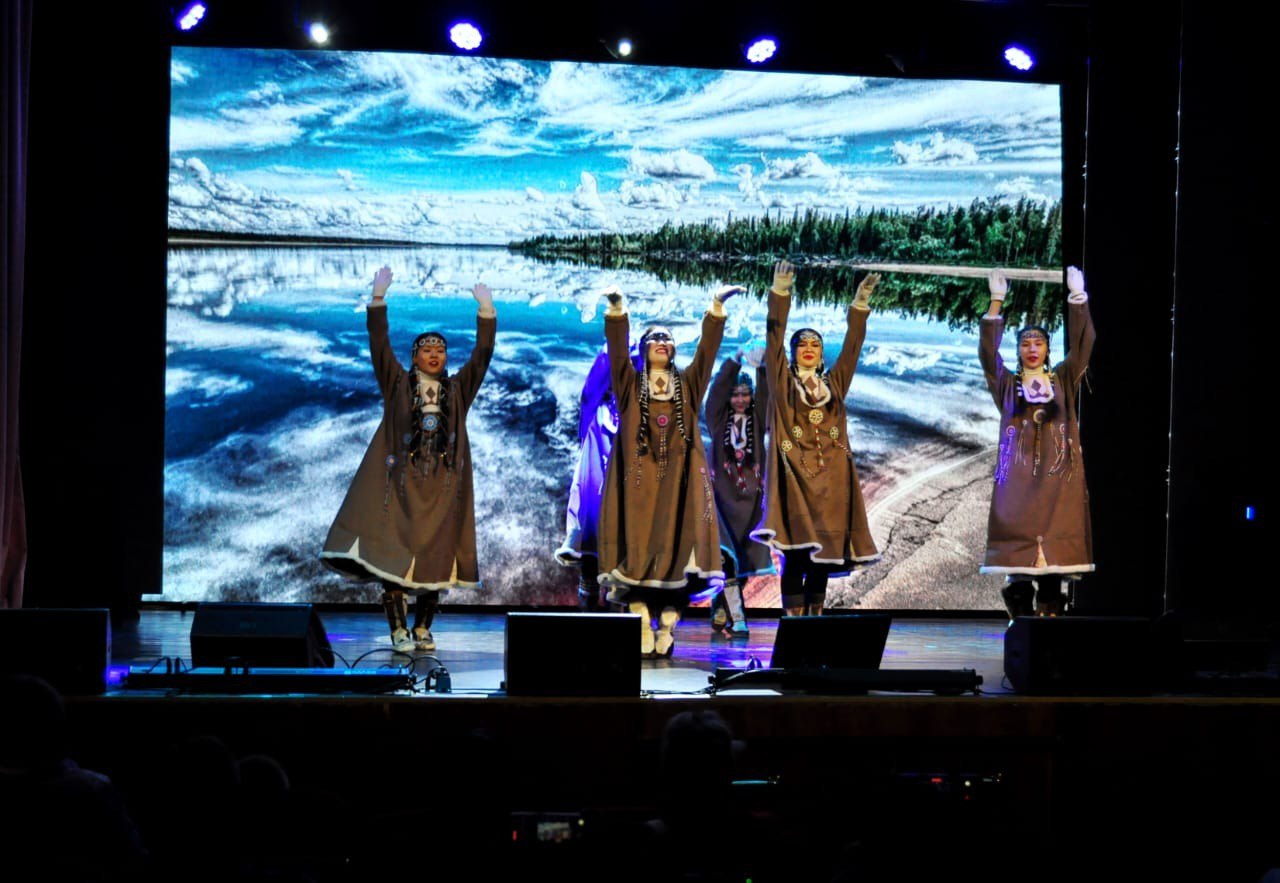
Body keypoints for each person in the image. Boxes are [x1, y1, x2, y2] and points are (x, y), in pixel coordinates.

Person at [321, 266, 496, 652]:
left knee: (435, 556)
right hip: (400, 487)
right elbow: (379, 345)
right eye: (427, 350)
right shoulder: (398, 384)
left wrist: (486, 311)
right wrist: (378, 300)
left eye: (440, 350)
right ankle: (398, 629)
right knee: (395, 553)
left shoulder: (458, 390)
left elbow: (482, 356)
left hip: (441, 489)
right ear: (415, 357)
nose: (435, 355)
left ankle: (423, 629)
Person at [597, 283, 735, 655]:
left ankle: (668, 625)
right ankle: (641, 619)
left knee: (681, 559)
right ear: (643, 349)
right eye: (654, 338)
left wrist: (716, 309)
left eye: (668, 338)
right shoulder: (629, 385)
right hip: (639, 490)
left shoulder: (688, 386)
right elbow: (615, 353)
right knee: (638, 556)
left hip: (680, 488)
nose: (661, 341)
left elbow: (707, 353)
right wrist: (617, 310)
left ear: (674, 350)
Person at [751, 261, 880, 616]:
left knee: (822, 562)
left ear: (823, 355)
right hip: (795, 485)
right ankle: (794, 628)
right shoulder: (784, 388)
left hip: (832, 489)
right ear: (792, 353)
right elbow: (773, 341)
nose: (809, 347)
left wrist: (860, 304)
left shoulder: (834, 386)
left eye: (816, 344)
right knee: (795, 560)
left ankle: (816, 624)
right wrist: (780, 294)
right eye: (802, 343)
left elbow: (853, 347)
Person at [980, 266, 1095, 620]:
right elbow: (987, 355)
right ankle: (1022, 637)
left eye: (1039, 343)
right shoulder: (1007, 384)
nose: (1032, 348)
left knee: (1052, 578)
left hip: (1059, 486)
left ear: (1047, 349)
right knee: (1019, 573)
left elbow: (1084, 346)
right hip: (1017, 489)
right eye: (1025, 343)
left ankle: (1049, 646)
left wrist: (1078, 300)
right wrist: (996, 304)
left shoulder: (1062, 378)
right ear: (1018, 351)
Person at [554, 343, 638, 611]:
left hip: (626, 502)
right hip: (593, 499)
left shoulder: (635, 418)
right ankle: (588, 620)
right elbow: (595, 383)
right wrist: (618, 345)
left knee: (622, 570)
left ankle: (620, 625)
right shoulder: (593, 412)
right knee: (590, 564)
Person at [704, 347, 774, 636]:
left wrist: (762, 368)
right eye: (736, 394)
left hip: (751, 502)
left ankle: (720, 607)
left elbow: (768, 398)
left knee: (743, 562)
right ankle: (738, 616)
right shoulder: (718, 422)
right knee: (725, 557)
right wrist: (732, 363)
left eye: (746, 393)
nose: (741, 398)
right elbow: (715, 396)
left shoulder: (758, 424)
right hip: (721, 500)